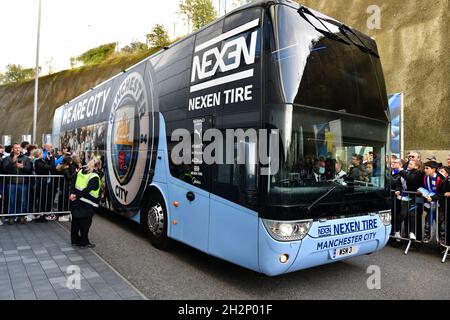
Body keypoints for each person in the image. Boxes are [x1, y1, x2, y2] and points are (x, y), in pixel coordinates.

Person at [69, 159, 102, 248]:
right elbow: (87, 190)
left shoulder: (80, 171)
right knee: (85, 224)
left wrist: (73, 194)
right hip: (87, 203)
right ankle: (84, 242)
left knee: (75, 222)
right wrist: (77, 196)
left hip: (76, 201)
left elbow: (73, 182)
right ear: (98, 166)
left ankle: (74, 240)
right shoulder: (94, 176)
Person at [1, 143, 33, 224]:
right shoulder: (7, 158)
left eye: (19, 148)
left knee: (22, 200)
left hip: (22, 183)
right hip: (11, 183)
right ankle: (11, 217)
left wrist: (23, 167)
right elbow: (4, 169)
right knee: (11, 200)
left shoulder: (26, 158)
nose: (17, 149)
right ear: (13, 149)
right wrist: (12, 162)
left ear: (21, 149)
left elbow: (29, 169)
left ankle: (21, 216)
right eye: (15, 148)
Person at [396, 159, 424, 240]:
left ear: (416, 166)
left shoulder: (419, 173)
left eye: (411, 164)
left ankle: (412, 232)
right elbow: (399, 182)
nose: (409, 165)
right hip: (405, 196)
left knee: (412, 215)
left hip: (414, 197)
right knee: (403, 214)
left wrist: (401, 171)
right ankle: (397, 231)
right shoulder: (406, 171)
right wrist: (398, 189)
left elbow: (410, 179)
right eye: (409, 163)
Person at [421, 161, 445, 243]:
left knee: (441, 221)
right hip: (429, 203)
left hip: (439, 204)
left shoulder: (440, 178)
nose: (425, 170)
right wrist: (421, 191)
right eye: (424, 168)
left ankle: (442, 238)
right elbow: (423, 186)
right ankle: (427, 235)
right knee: (428, 220)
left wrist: (433, 198)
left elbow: (443, 192)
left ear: (434, 169)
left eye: (427, 168)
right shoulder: (425, 177)